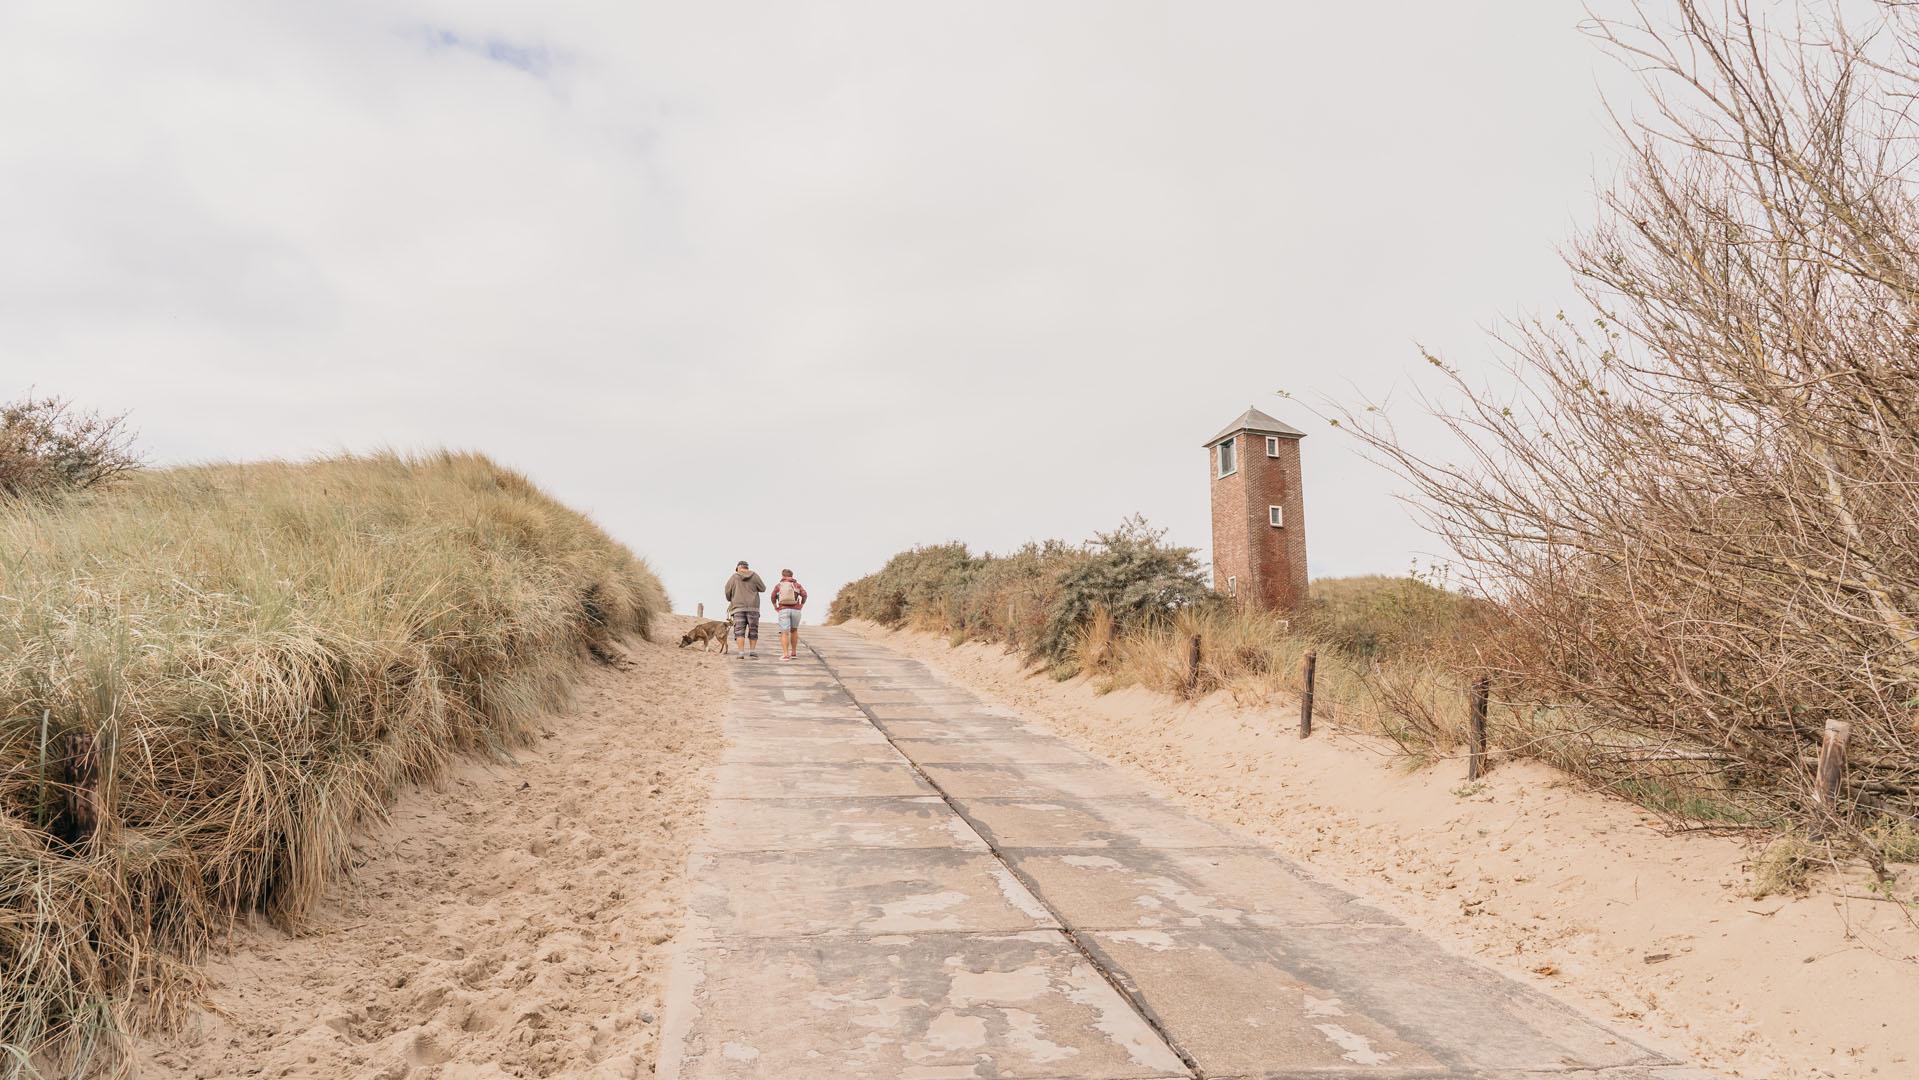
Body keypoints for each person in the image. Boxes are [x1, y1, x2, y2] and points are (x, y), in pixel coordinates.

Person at [723, 560, 765, 658]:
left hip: (738, 608)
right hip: (753, 607)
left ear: (738, 567)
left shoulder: (734, 577)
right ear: (747, 567)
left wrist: (731, 599)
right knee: (753, 630)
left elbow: (727, 591)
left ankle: (741, 653)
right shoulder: (755, 576)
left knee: (739, 630)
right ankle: (752, 651)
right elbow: (763, 588)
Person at [770, 568, 809, 660]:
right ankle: (794, 652)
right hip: (796, 610)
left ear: (782, 576)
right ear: (792, 576)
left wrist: (775, 606)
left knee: (784, 632)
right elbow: (804, 595)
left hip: (783, 609)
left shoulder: (779, 585)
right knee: (794, 630)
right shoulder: (797, 585)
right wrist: (801, 604)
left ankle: (786, 654)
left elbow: (772, 596)